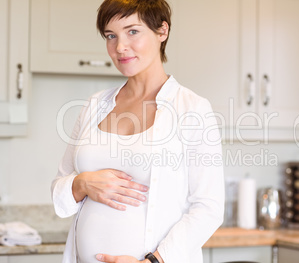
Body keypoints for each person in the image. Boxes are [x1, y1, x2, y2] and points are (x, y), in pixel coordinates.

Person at [51, 0, 225, 262]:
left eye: (132, 31)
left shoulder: (192, 108)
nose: (120, 47)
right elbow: (61, 186)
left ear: (162, 31)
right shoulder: (95, 104)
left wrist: (153, 261)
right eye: (111, 35)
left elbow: (208, 207)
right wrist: (82, 183)